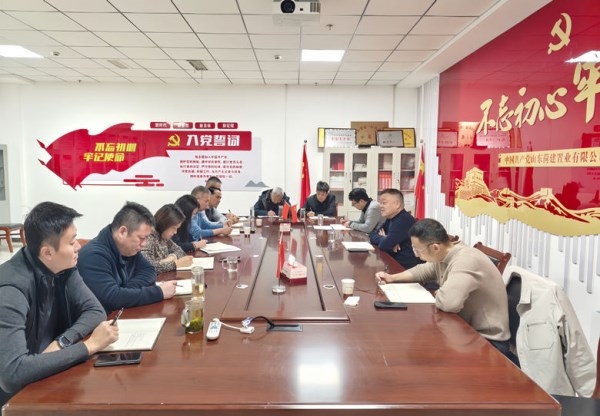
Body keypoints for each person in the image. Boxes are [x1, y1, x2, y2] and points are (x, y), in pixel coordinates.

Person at [0, 202, 118, 406]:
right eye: (71, 242)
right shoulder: (10, 290)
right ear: (47, 252)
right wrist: (90, 345)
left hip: (50, 374)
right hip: (19, 397)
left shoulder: (63, 268)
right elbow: (12, 373)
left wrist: (62, 342)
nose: (78, 246)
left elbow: (95, 310)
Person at [375, 218, 511, 358]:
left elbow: (448, 303)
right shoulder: (444, 254)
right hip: (464, 329)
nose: (416, 254)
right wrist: (392, 278)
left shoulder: (465, 260)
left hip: (488, 342)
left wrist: (439, 292)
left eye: (418, 250)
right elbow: (423, 271)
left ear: (435, 247)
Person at [78, 201, 178, 314]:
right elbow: (112, 298)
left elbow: (149, 270)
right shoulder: (93, 256)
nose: (144, 244)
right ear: (122, 232)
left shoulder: (128, 248)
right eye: (141, 238)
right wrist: (158, 292)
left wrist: (126, 290)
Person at [369, 188, 423, 269]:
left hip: (407, 268)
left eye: (384, 203)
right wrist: (386, 238)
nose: (381, 206)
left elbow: (384, 245)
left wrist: (387, 240)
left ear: (397, 204)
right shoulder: (391, 218)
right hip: (395, 262)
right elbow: (372, 234)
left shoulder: (403, 220)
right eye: (380, 203)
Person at [141, 204, 193, 274]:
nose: (175, 232)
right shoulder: (148, 237)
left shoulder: (164, 236)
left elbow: (180, 251)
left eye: (177, 228)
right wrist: (175, 264)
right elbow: (149, 267)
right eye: (173, 228)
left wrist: (171, 258)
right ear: (165, 224)